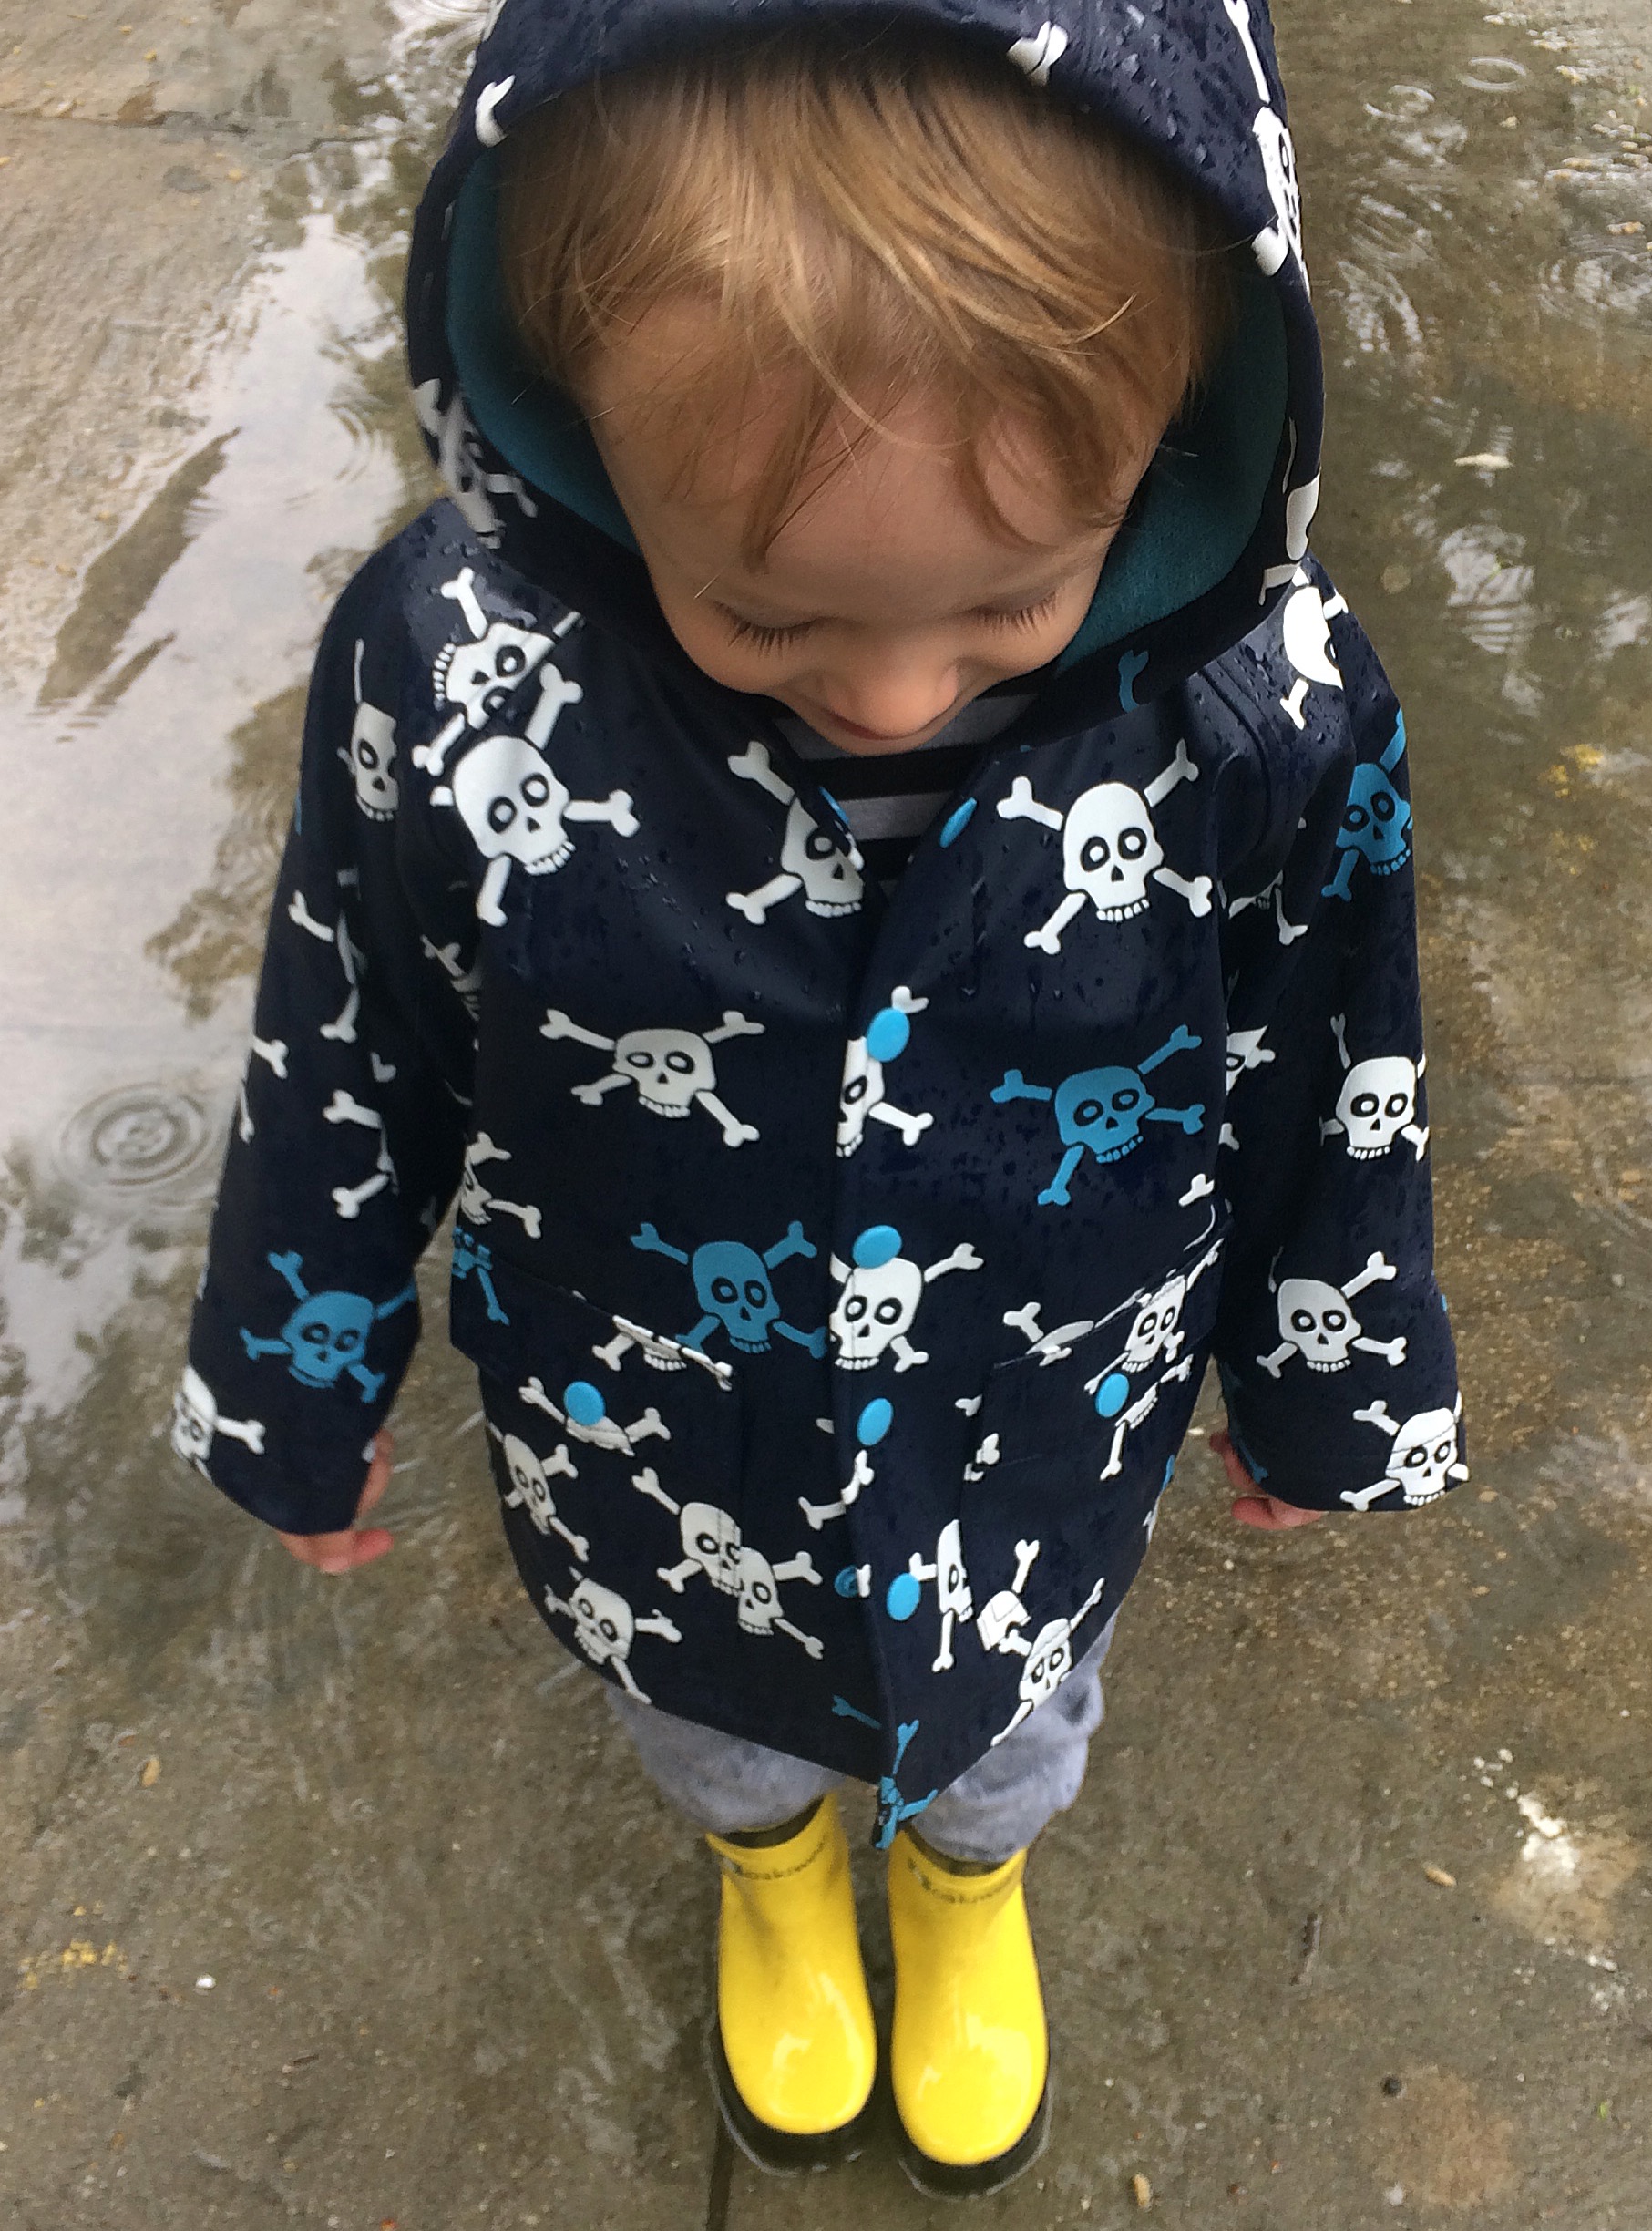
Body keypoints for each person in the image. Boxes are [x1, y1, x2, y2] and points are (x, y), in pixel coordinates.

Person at [174, 0, 1462, 2195]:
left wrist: (1330, 1380)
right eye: (763, 614)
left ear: (1184, 429)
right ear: (565, 418)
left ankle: (968, 1884)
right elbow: (351, 1027)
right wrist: (296, 1374)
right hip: (647, 1414)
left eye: (1013, 598)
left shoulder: (1260, 707)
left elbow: (1334, 1061)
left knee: (1017, 1708)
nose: (890, 693)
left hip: (1040, 1411)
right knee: (698, 1701)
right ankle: (767, 1874)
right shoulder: (461, 675)